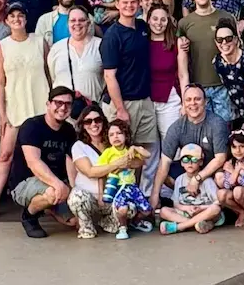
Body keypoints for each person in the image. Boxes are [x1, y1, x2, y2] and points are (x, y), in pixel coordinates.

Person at [0, 3, 52, 219]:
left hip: (40, 106)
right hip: (15, 108)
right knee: (5, 155)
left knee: (44, 156)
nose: (16, 19)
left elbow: (49, 74)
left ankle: (49, 201)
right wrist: (2, 114)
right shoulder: (1, 47)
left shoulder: (39, 42)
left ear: (26, 18)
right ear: (6, 21)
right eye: (12, 16)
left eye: (20, 15)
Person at [100, 0, 163, 186]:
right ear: (117, 5)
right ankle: (117, 203)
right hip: (123, 102)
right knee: (120, 154)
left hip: (144, 100)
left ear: (139, 4)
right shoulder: (112, 36)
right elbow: (109, 76)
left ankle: (138, 197)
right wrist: (120, 109)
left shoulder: (143, 27)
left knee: (144, 153)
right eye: (124, 2)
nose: (129, 6)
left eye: (133, 2)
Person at [9, 88, 79, 238]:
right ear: (48, 104)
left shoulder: (69, 130)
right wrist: (58, 184)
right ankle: (29, 216)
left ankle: (48, 207)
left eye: (68, 104)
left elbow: (70, 161)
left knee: (74, 222)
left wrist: (74, 189)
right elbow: (33, 162)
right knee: (53, 193)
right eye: (58, 103)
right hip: (26, 182)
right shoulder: (32, 126)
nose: (63, 107)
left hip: (57, 182)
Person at [155, 84, 230, 207]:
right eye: (188, 100)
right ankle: (190, 201)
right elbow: (164, 162)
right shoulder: (177, 127)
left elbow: (220, 158)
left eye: (197, 99)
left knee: (220, 177)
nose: (193, 103)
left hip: (212, 169)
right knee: (164, 175)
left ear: (205, 102)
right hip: (190, 168)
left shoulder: (217, 123)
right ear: (183, 104)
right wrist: (154, 196)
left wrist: (197, 179)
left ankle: (218, 206)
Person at [66, 106, 124, 238]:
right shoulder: (79, 146)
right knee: (77, 198)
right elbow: (90, 172)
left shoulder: (113, 142)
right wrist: (116, 164)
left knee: (130, 208)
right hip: (89, 198)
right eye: (88, 121)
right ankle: (86, 227)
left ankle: (107, 221)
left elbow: (134, 161)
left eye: (98, 120)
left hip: (112, 196)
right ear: (83, 125)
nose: (94, 124)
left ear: (103, 122)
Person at [177, 0, 229, 104]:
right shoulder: (184, 23)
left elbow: (238, 49)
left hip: (224, 84)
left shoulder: (226, 17)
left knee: (224, 124)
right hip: (197, 87)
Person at [97, 117, 152, 238]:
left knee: (147, 210)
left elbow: (148, 155)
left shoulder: (130, 150)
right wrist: (101, 193)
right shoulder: (108, 152)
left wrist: (135, 148)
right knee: (122, 209)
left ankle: (135, 222)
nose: (115, 137)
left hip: (131, 187)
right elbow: (100, 173)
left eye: (119, 133)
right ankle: (122, 228)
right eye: (111, 134)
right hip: (118, 187)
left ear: (125, 135)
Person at [145, 0, 187, 147]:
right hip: (146, 99)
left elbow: (183, 74)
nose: (159, 23)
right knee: (149, 144)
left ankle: (172, 170)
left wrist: (185, 101)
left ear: (168, 21)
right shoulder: (141, 41)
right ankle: (151, 172)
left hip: (171, 99)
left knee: (171, 142)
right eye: (155, 19)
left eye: (163, 19)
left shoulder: (177, 43)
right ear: (148, 19)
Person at [159, 143, 225, 234]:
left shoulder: (207, 181)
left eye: (194, 160)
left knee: (215, 209)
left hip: (204, 212)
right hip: (187, 212)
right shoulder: (179, 179)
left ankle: (180, 226)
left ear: (200, 162)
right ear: (181, 163)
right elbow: (175, 202)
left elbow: (218, 202)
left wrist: (201, 208)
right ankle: (197, 224)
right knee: (163, 211)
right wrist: (186, 208)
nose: (190, 163)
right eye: (186, 160)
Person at [49, 3, 105, 106]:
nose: (77, 23)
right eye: (73, 20)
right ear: (68, 24)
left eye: (82, 20)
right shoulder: (56, 48)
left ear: (88, 23)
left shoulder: (101, 46)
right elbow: (52, 77)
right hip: (63, 112)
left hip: (93, 113)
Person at [211, 21, 244, 127]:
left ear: (235, 39)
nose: (224, 43)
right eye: (220, 40)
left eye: (228, 38)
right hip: (234, 112)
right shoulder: (217, 62)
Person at [216, 129, 244, 226]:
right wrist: (235, 170)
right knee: (221, 193)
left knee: (238, 191)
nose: (238, 151)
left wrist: (233, 171)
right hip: (238, 199)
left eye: (242, 146)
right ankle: (241, 212)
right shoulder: (231, 162)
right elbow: (228, 185)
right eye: (234, 147)